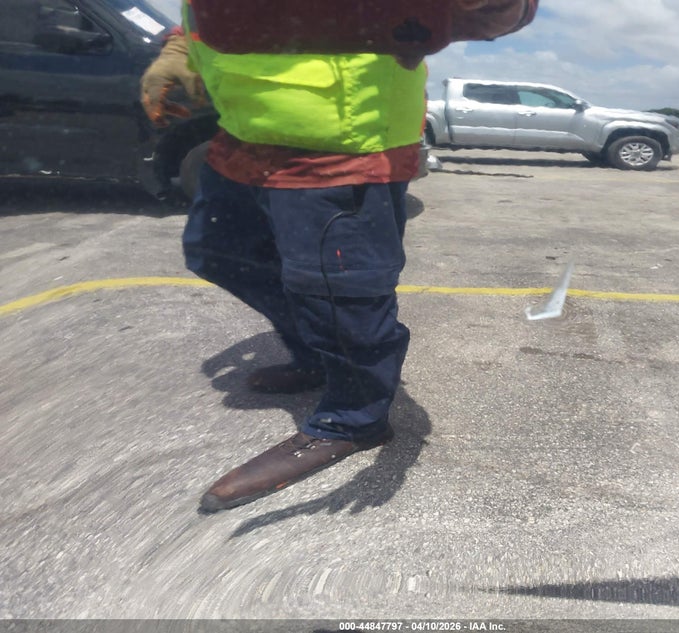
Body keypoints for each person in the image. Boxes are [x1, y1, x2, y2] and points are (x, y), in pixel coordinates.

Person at [140, 0, 537, 513]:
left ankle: (355, 417)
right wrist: (179, 48)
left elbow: (506, 11)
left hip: (344, 143)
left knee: (339, 291)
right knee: (218, 252)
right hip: (241, 132)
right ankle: (317, 356)